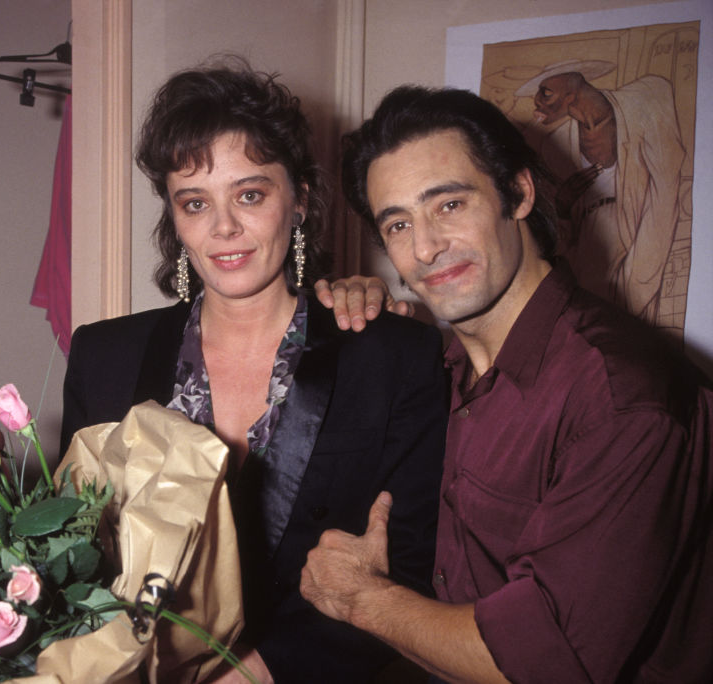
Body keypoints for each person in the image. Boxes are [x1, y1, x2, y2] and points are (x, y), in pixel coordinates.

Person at [301, 85, 713, 683]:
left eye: (449, 205)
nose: (425, 248)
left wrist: (359, 597)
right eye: (397, 223)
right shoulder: (440, 369)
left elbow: (545, 662)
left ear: (518, 193)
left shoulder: (622, 395)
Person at [61, 62, 447, 683]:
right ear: (173, 216)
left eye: (250, 194)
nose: (224, 228)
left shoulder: (393, 357)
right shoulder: (103, 357)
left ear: (297, 200)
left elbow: (411, 559)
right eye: (195, 202)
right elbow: (74, 560)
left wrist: (253, 676)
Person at [516, 61, 686, 326]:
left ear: (572, 89)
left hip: (643, 239)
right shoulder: (556, 144)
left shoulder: (646, 101)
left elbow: (665, 191)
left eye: (546, 91)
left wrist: (641, 277)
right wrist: (563, 206)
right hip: (589, 261)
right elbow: (561, 240)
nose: (537, 102)